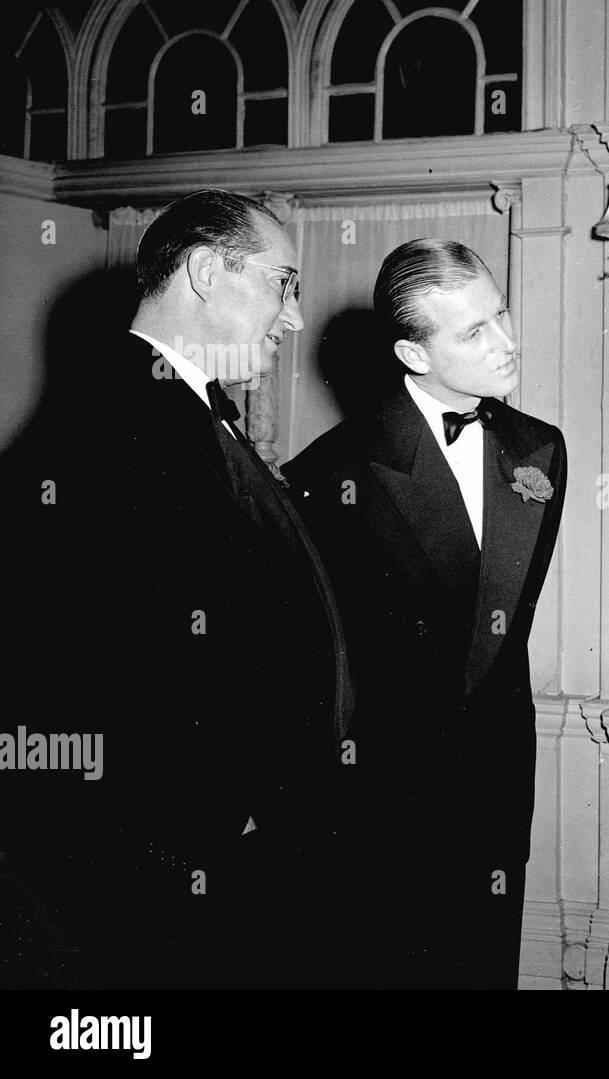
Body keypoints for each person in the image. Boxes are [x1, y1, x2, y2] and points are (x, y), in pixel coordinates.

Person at [1, 189, 352, 988]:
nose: (293, 316)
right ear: (203, 270)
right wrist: (222, 835)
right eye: (283, 283)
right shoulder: (118, 423)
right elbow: (82, 685)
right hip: (175, 886)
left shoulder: (190, 412)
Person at [283, 239, 566, 989]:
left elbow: (501, 629)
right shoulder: (330, 473)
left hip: (499, 786)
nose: (506, 343)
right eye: (474, 333)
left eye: (500, 314)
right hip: (386, 802)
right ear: (413, 354)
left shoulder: (541, 450)